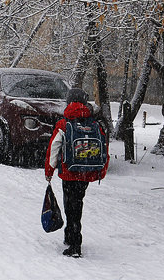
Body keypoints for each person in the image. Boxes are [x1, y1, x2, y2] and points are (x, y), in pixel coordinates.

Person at [44, 88, 108, 258]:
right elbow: (103, 147)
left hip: (69, 171)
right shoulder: (94, 123)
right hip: (85, 172)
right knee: (77, 203)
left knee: (70, 205)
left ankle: (74, 243)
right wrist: (101, 170)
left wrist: (49, 171)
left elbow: (54, 149)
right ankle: (70, 234)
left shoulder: (64, 124)